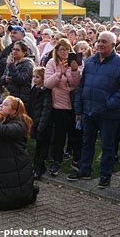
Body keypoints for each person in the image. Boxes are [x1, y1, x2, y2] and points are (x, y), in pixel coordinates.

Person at [68, 31, 120, 187]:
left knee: (107, 145)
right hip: (89, 110)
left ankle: (105, 175)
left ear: (113, 45)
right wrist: (79, 109)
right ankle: (85, 170)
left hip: (108, 113)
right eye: (99, 41)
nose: (100, 44)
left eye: (104, 42)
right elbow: (82, 86)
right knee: (87, 142)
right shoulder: (90, 61)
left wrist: (109, 103)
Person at [44, 38, 81, 176]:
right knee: (59, 136)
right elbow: (48, 83)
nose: (64, 52)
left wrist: (74, 70)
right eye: (61, 49)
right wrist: (59, 73)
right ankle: (56, 161)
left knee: (74, 134)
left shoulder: (75, 62)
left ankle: (75, 160)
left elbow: (76, 84)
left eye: (67, 49)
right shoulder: (51, 63)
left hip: (73, 105)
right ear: (57, 51)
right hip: (58, 105)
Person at [29, 67, 53, 180]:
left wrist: (41, 124)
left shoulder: (45, 91)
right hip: (35, 120)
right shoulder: (34, 88)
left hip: (43, 123)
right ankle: (36, 166)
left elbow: (46, 109)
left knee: (42, 147)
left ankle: (39, 167)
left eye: (37, 77)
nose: (34, 79)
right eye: (34, 77)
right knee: (38, 146)